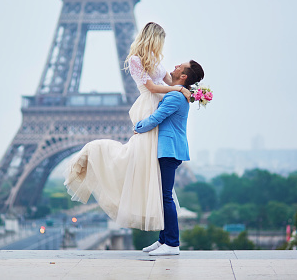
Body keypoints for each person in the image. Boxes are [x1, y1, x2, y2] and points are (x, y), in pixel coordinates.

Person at [63, 22, 191, 231]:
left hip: (160, 102)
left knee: (150, 163)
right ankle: (95, 155)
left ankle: (164, 237)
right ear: (153, 39)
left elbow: (169, 83)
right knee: (140, 154)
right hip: (149, 103)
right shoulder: (135, 60)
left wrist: (188, 90)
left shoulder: (156, 60)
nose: (162, 46)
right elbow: (150, 86)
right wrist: (177, 89)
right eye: (160, 41)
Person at [136, 60, 204, 256]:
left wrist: (137, 127)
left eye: (179, 67)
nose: (174, 67)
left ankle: (172, 243)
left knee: (166, 196)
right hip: (169, 149)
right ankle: (163, 240)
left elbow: (156, 118)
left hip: (169, 150)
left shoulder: (175, 96)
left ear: (183, 76)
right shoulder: (177, 93)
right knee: (163, 195)